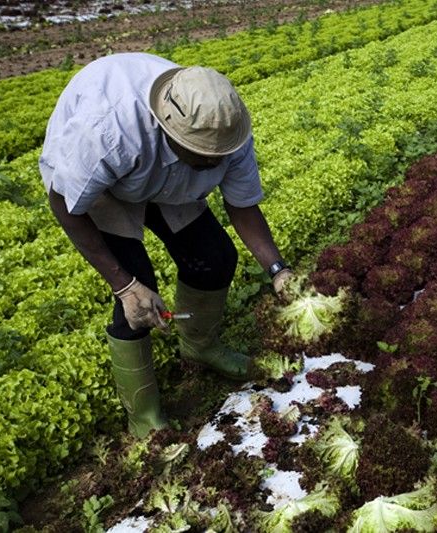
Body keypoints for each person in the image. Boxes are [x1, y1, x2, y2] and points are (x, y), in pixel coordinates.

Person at [39, 52, 294, 438]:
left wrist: (279, 270)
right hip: (106, 186)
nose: (215, 163)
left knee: (215, 257)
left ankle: (200, 347)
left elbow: (243, 206)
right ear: (170, 132)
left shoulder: (225, 132)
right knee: (138, 296)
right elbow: (64, 203)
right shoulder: (110, 132)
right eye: (203, 155)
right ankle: (143, 416)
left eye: (218, 156)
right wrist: (123, 284)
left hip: (164, 177)